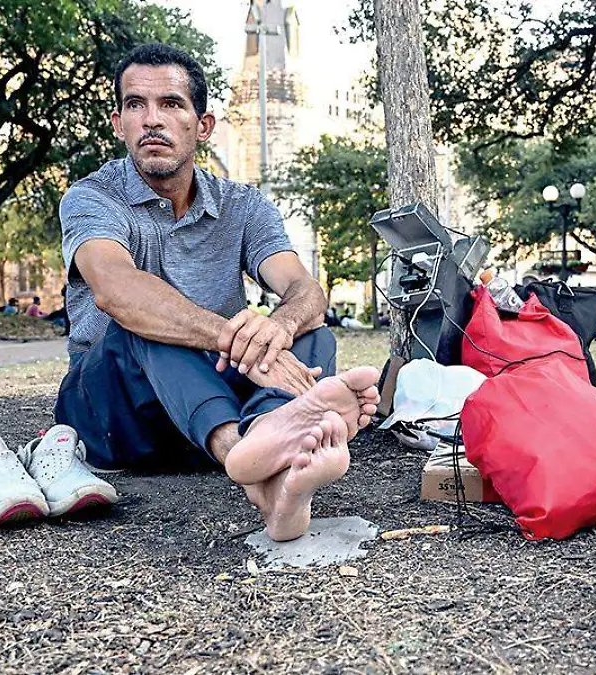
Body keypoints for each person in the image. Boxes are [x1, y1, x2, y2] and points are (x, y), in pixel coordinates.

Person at [42, 44, 378, 542]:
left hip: (205, 405)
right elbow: (117, 291)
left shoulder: (242, 206)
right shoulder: (92, 196)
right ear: (118, 123)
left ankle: (270, 464)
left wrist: (278, 325)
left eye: (171, 104)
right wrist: (233, 336)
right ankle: (244, 449)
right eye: (136, 105)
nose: (151, 120)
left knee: (311, 333)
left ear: (203, 126)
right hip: (116, 412)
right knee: (147, 321)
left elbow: (304, 289)